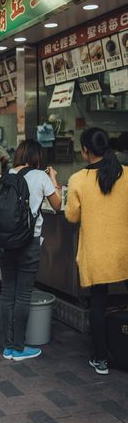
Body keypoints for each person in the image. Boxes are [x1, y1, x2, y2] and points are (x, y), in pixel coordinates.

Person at [65, 127, 128, 375]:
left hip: (97, 252)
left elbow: (71, 216)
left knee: (98, 305)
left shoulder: (78, 180)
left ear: (85, 150)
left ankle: (101, 359)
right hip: (125, 250)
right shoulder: (126, 174)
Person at [0, 139, 61, 361]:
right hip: (28, 242)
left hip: (4, 242)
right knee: (23, 295)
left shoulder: (8, 174)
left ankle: (7, 347)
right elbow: (57, 205)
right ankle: (19, 347)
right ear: (37, 157)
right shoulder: (40, 176)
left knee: (7, 293)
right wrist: (53, 178)